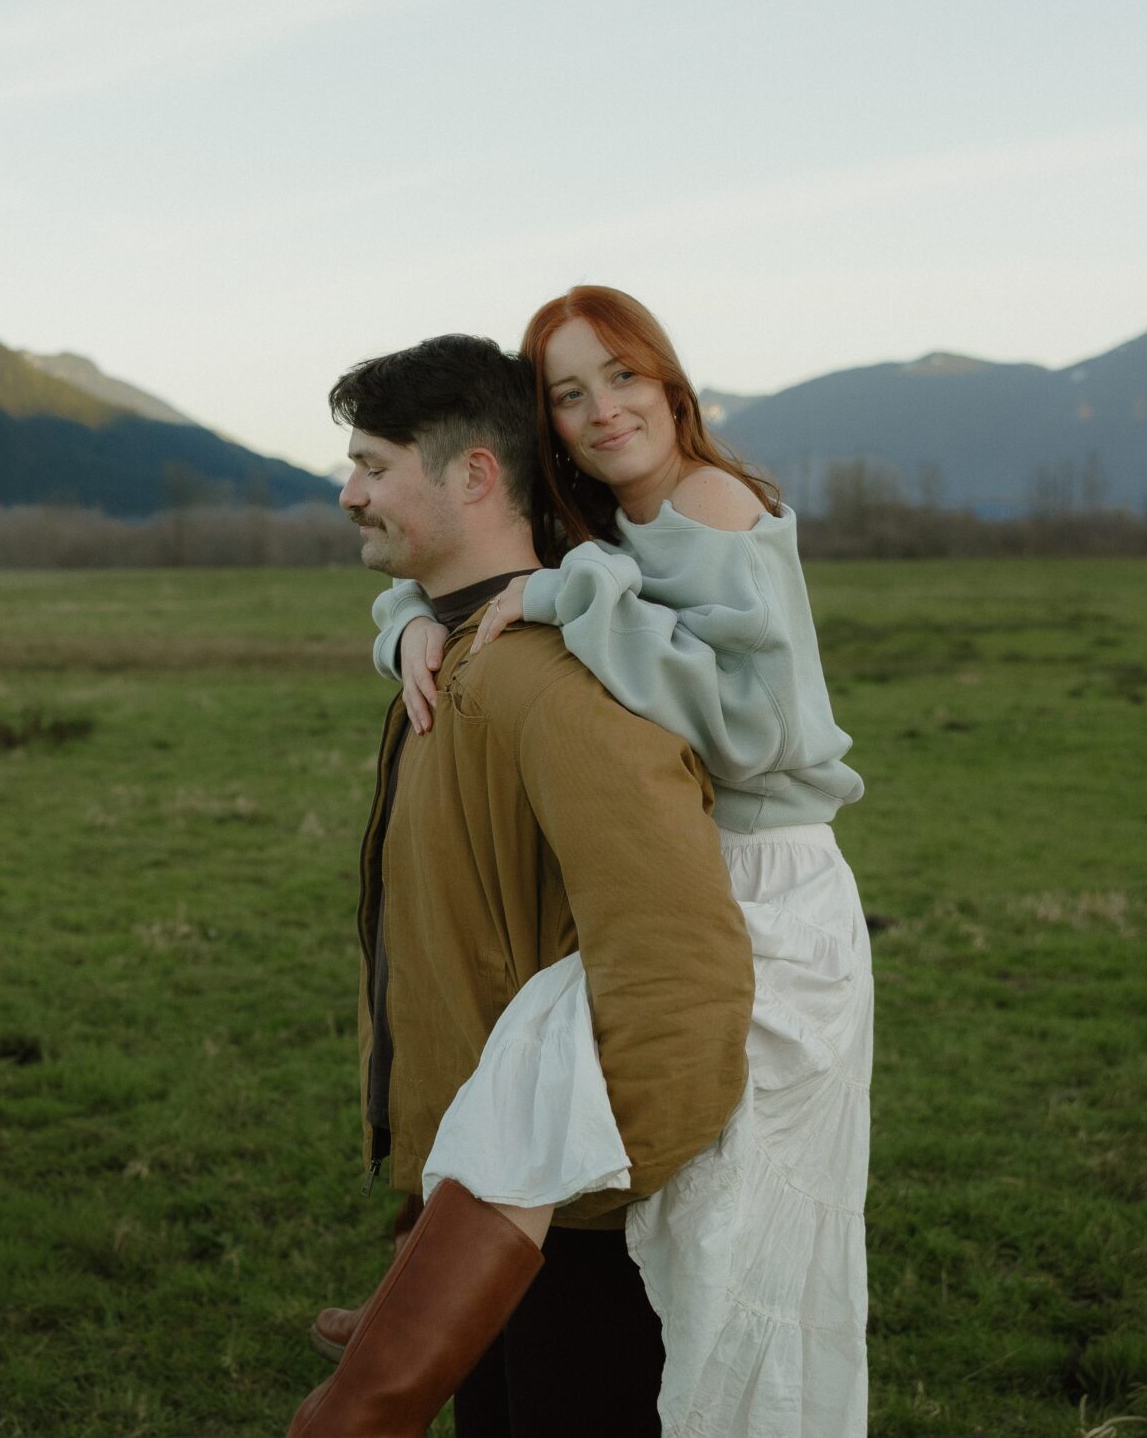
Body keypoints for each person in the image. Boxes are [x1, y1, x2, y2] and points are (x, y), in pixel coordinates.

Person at [317, 287, 875, 1437]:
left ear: (668, 380)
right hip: (690, 850)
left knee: (729, 1216)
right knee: (541, 1085)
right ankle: (437, 1296)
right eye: (567, 394)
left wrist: (563, 595)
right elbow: (464, 560)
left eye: (621, 376)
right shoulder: (604, 525)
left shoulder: (714, 503)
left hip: (769, 872)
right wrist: (411, 623)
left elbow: (751, 732)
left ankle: (448, 1331)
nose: (602, 409)